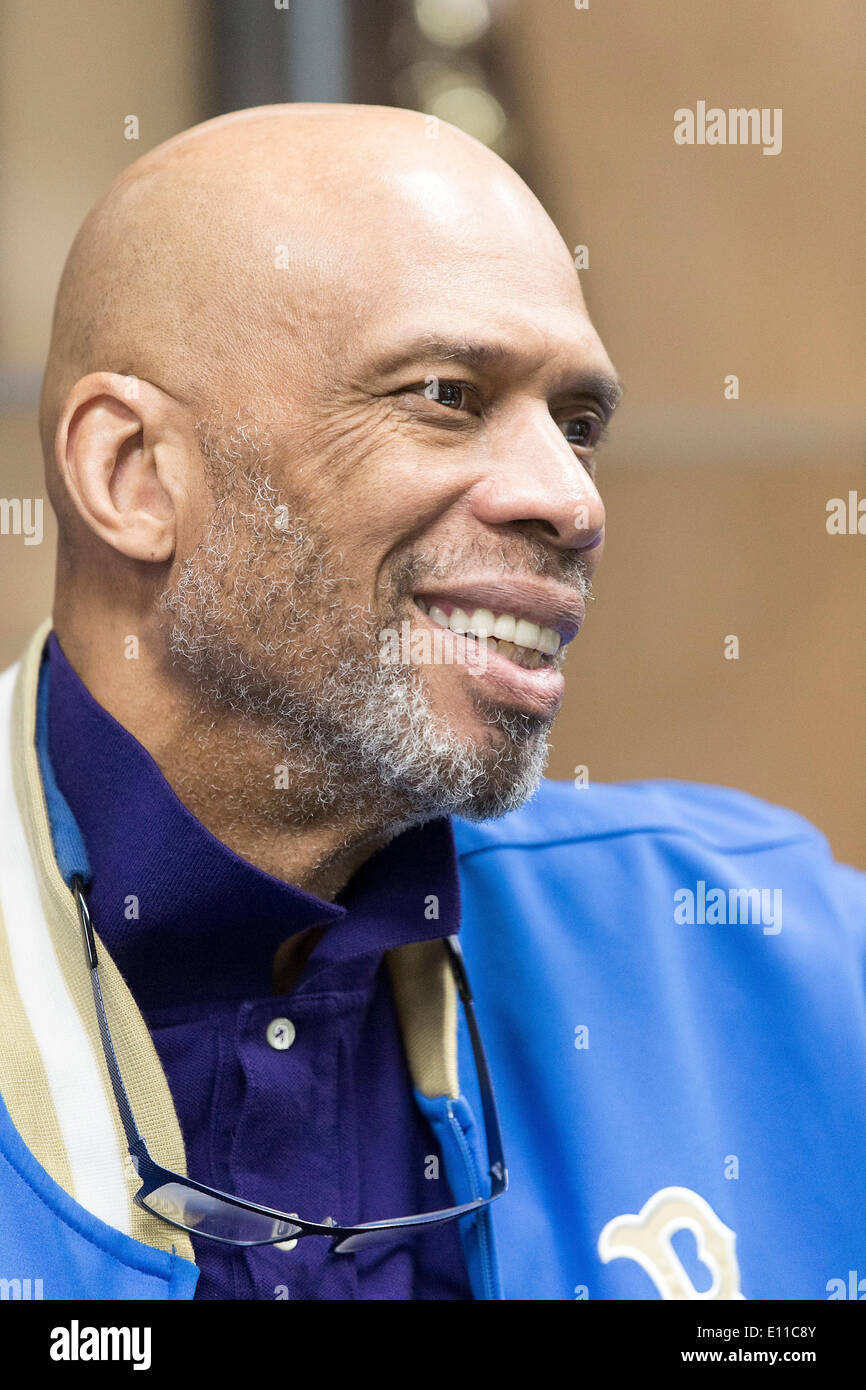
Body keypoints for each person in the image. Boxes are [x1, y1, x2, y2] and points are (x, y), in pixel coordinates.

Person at [1, 104, 863, 1302]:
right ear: (131, 474)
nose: (570, 501)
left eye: (578, 426)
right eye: (447, 394)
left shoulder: (761, 950)